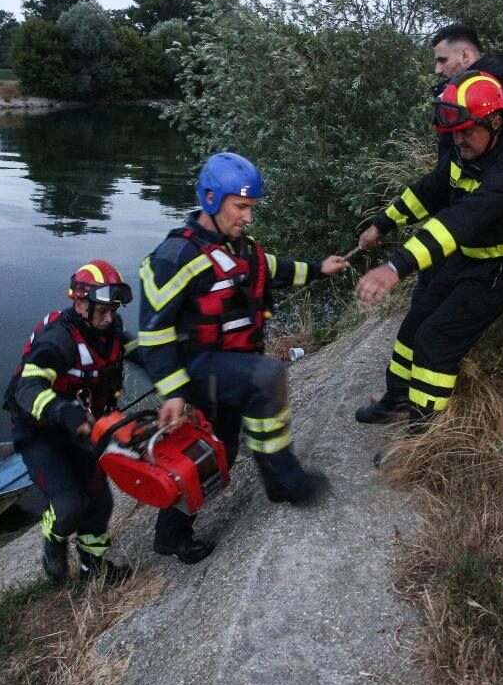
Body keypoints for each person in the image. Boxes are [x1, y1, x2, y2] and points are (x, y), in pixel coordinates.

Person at [137, 152, 350, 563]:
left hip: (231, 366)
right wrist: (174, 392)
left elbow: (275, 269)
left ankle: (171, 533)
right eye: (241, 207)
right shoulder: (175, 258)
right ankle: (282, 478)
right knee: (267, 376)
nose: (248, 217)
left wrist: (320, 269)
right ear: (211, 198)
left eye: (251, 208)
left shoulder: (241, 249)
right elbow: (153, 332)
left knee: (220, 450)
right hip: (199, 368)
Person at [352, 65, 503, 425]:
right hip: (470, 256)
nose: (458, 142)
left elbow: (460, 221)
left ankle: (423, 436)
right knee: (414, 326)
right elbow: (432, 190)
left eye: (465, 132)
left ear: (495, 121)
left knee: (435, 339)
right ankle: (397, 401)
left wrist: (396, 267)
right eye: (453, 134)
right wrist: (382, 224)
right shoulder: (471, 150)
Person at [3, 261, 139, 584]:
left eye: (114, 310)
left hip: (81, 429)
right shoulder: (58, 339)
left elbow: (143, 354)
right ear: (80, 303)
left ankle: (93, 569)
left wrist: (174, 379)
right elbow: (27, 388)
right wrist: (68, 413)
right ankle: (53, 535)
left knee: (100, 501)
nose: (110, 318)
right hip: (41, 432)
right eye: (103, 311)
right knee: (68, 507)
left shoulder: (112, 331)